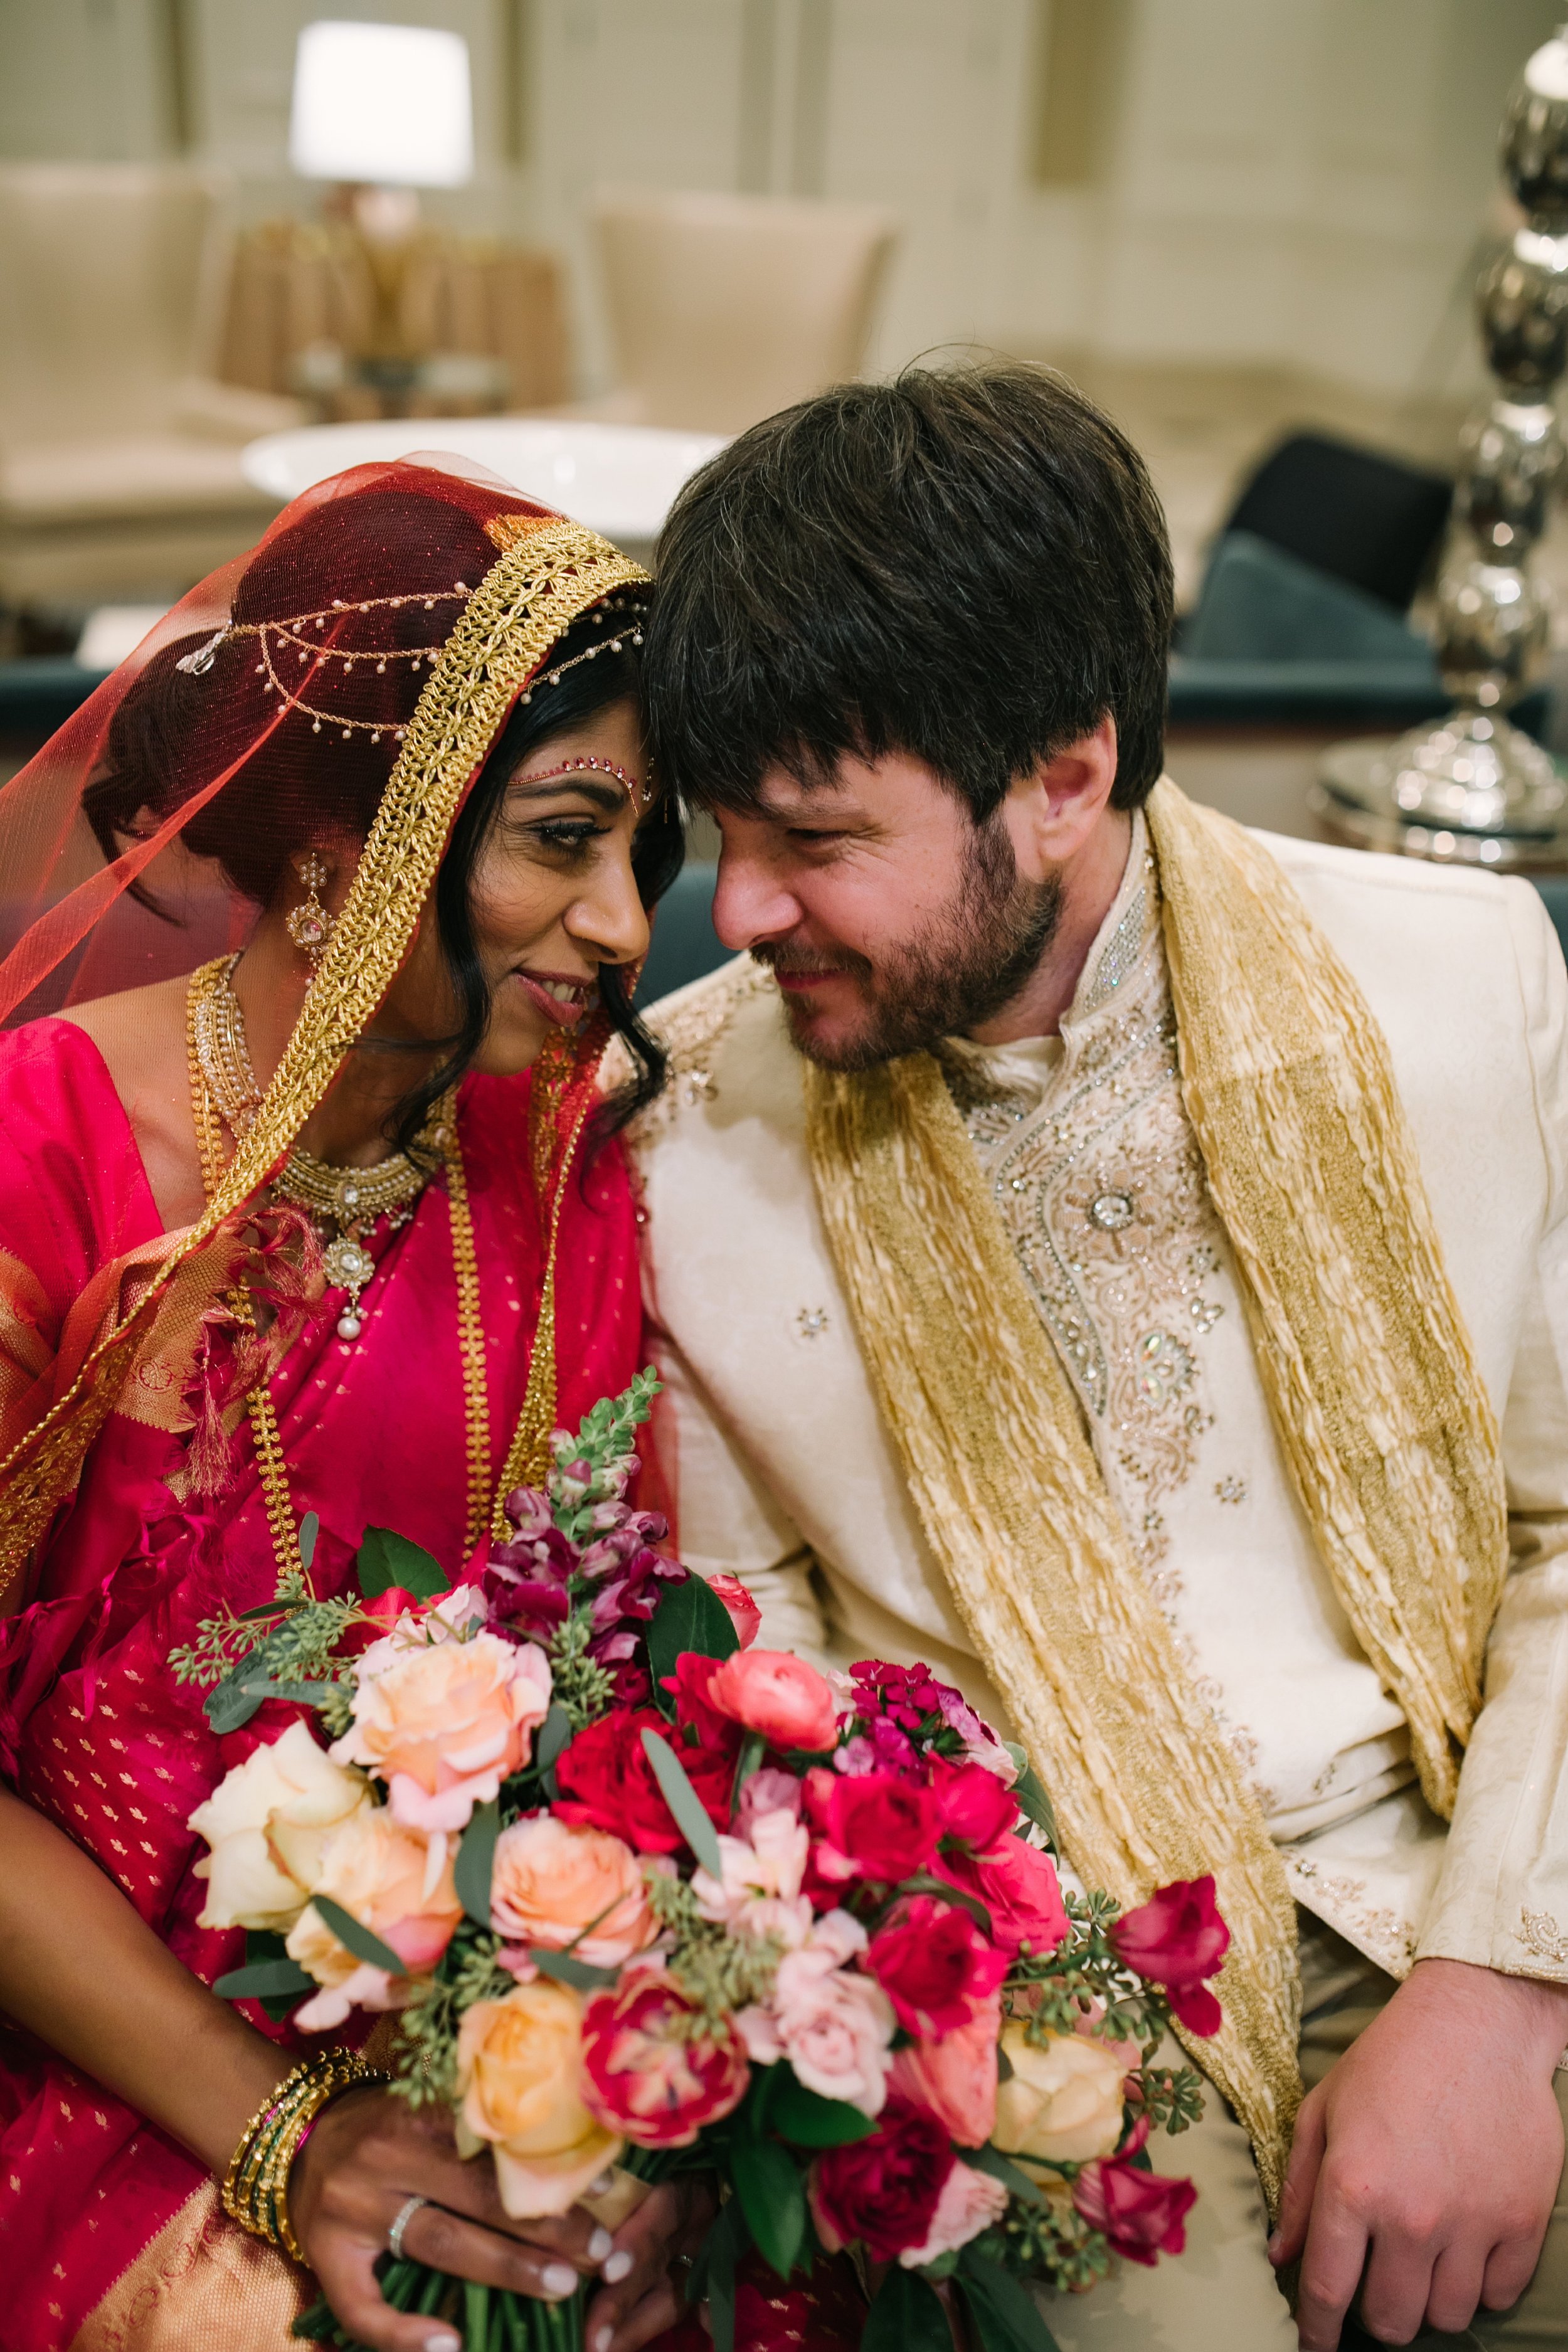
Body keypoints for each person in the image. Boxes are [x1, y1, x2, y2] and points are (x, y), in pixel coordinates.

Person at [619, 365, 1568, 2351]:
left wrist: (1499, 1990)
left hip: (1474, 1865)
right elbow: (753, 1679)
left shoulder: (1463, 980)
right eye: (724, 833)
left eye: (814, 838)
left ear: (1064, 776)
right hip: (1044, 1973)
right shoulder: (682, 1135)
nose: (740, 909)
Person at [0, 460, 701, 2352]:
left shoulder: (557, 1169)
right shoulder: (46, 1152)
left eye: (644, 850)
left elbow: (609, 1674)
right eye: (563, 837)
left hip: (475, 2012)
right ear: (346, 846)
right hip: (104, 2031)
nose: (628, 925)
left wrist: (622, 2091)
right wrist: (288, 2142)